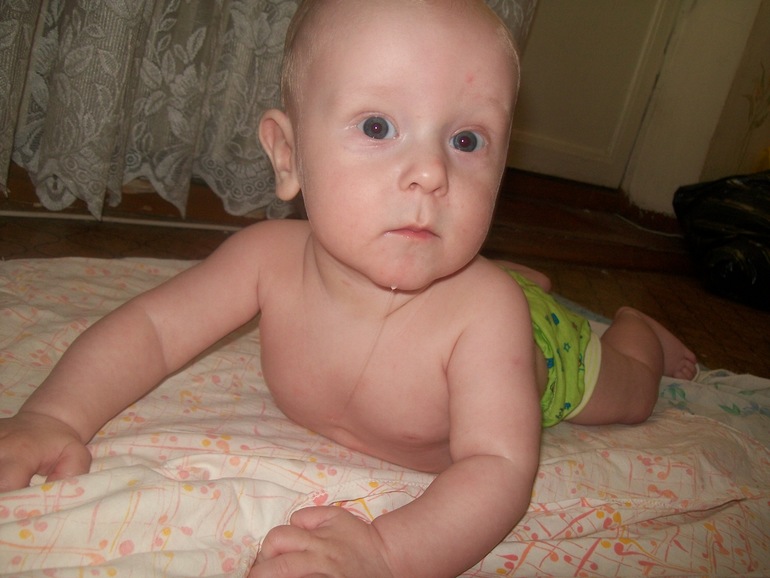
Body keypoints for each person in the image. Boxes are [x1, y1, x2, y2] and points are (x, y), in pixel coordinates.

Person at [0, 1, 698, 576]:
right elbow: (151, 331)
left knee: (632, 393)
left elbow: (499, 466)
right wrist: (53, 418)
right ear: (288, 154)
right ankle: (528, 276)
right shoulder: (265, 259)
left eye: (466, 141)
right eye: (377, 126)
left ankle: (634, 326)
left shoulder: (487, 315)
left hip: (541, 352)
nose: (431, 173)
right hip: (497, 299)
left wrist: (387, 553)